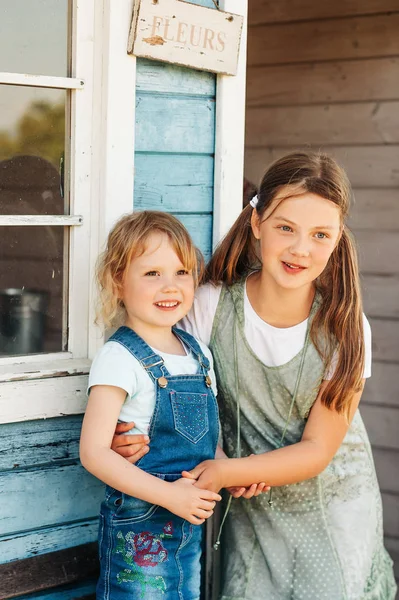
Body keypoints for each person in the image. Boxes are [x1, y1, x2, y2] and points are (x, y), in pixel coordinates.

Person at [111, 152, 397, 600]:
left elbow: (319, 450)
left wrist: (229, 468)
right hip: (246, 507)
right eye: (286, 227)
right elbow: (167, 390)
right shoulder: (208, 306)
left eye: (320, 234)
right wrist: (132, 431)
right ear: (257, 221)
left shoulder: (344, 327)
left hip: (333, 510)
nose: (301, 248)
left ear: (338, 238)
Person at [80, 211, 224, 600]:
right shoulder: (119, 357)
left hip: (188, 526)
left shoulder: (198, 354)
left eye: (182, 272)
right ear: (118, 283)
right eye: (151, 274)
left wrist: (227, 468)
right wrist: (171, 496)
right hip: (140, 529)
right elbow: (94, 452)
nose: (170, 286)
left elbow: (207, 438)